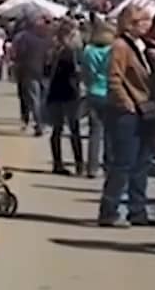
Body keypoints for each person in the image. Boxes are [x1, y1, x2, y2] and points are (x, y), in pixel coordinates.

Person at [102, 3, 155, 228]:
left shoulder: (141, 45)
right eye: (143, 20)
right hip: (129, 112)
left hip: (146, 110)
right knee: (123, 163)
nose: (148, 24)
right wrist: (127, 104)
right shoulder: (120, 46)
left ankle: (137, 210)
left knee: (142, 162)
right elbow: (114, 78)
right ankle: (109, 209)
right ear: (131, 23)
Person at [45, 22, 86, 176]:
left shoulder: (53, 51)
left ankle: (58, 162)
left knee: (57, 129)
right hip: (70, 93)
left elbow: (47, 70)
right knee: (73, 129)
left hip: (55, 92)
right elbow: (76, 73)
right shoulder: (71, 52)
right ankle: (79, 163)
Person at [79, 20, 115, 180]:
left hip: (93, 91)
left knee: (95, 131)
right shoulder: (112, 51)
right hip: (109, 92)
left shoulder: (88, 50)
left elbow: (85, 72)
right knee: (110, 132)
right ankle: (108, 165)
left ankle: (92, 167)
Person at [11, 17, 52, 135]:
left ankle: (39, 124)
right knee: (43, 99)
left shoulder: (24, 38)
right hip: (45, 71)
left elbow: (18, 54)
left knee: (34, 99)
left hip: (30, 70)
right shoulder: (48, 38)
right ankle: (43, 122)